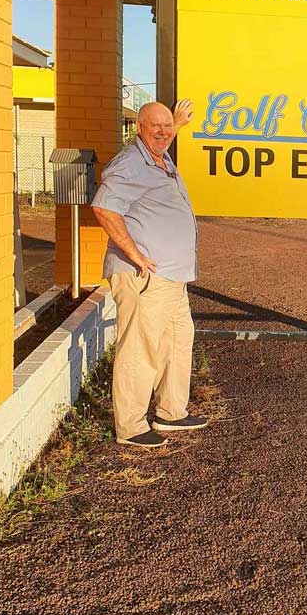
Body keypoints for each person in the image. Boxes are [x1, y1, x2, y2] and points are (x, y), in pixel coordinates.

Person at [92, 100, 207, 449]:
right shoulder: (130, 162)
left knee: (176, 340)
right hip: (146, 278)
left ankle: (171, 412)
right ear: (138, 127)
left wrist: (176, 124)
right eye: (155, 126)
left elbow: (164, 136)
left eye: (167, 126)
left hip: (172, 277)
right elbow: (103, 206)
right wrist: (134, 253)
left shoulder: (158, 157)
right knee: (141, 348)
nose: (163, 132)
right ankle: (130, 425)